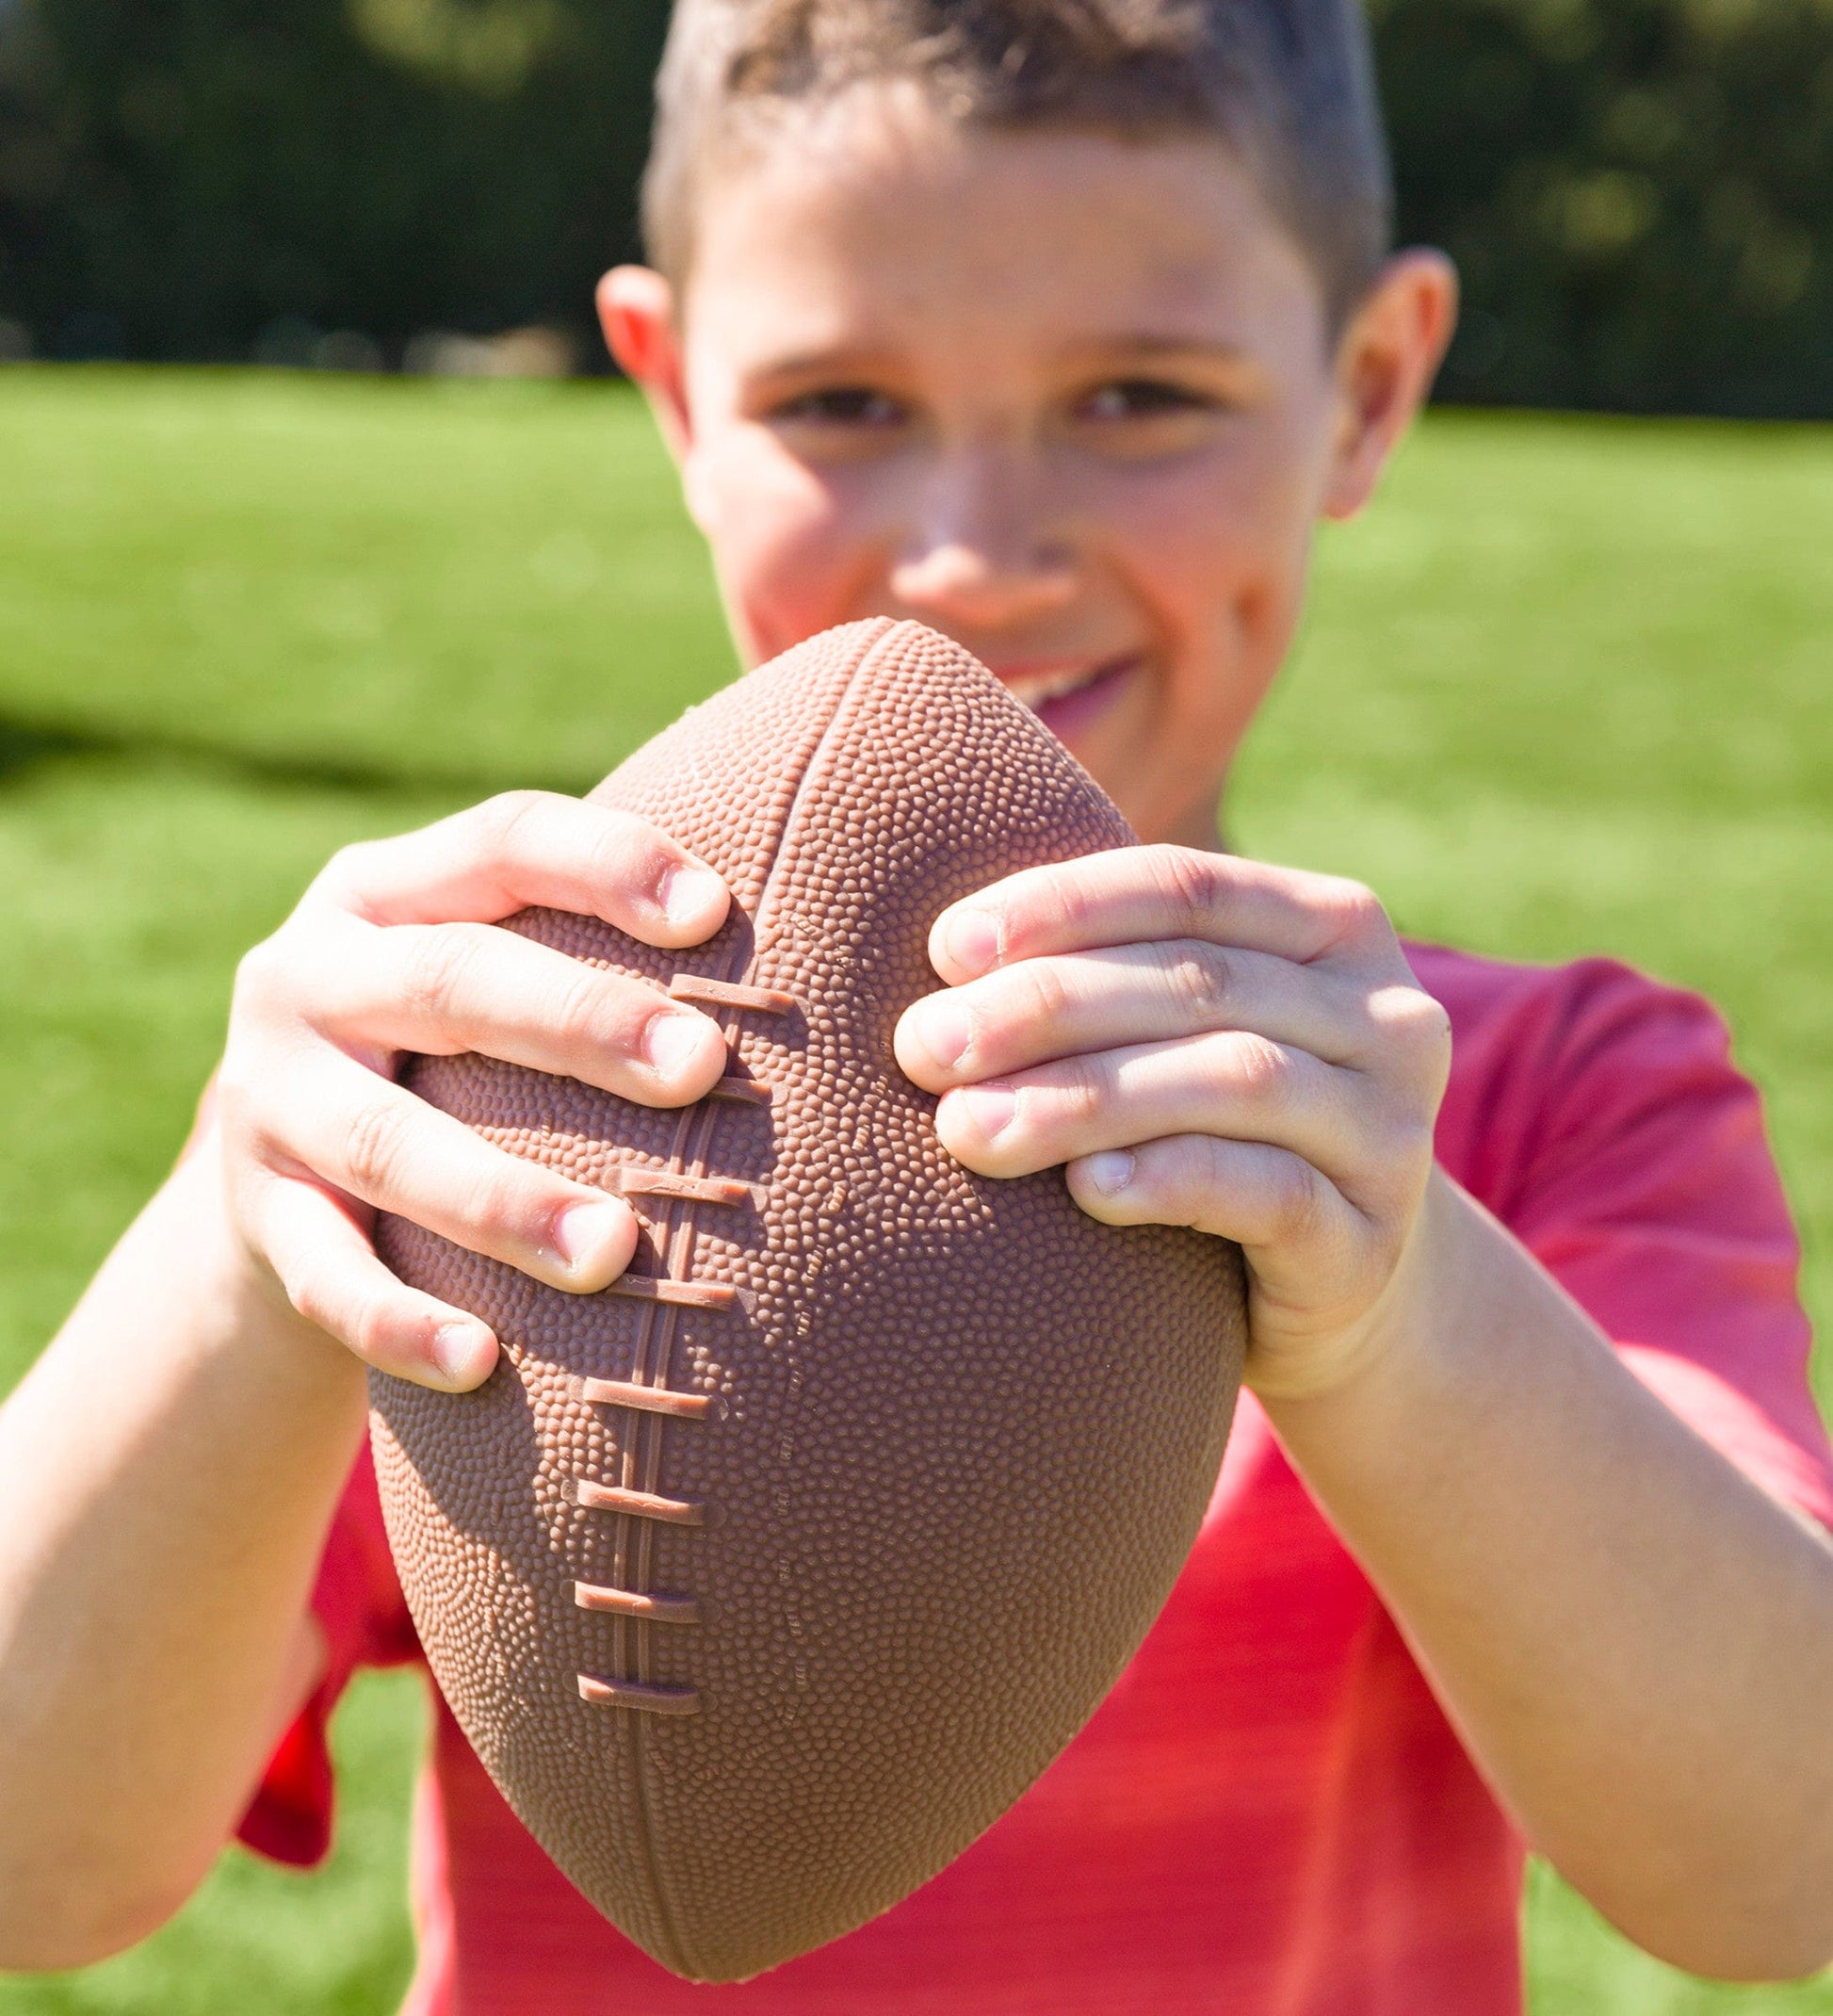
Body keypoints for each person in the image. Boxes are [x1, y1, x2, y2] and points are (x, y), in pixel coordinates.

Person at [4, 0, 1833, 2008]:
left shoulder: (1528, 1103)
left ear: (1370, 384)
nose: (968, 556)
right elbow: (38, 1863)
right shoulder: (508, 1088)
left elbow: (1777, 1869)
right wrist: (243, 1247)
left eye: (1137, 394)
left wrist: (1400, 1314)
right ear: (674, 397)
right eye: (841, 403)